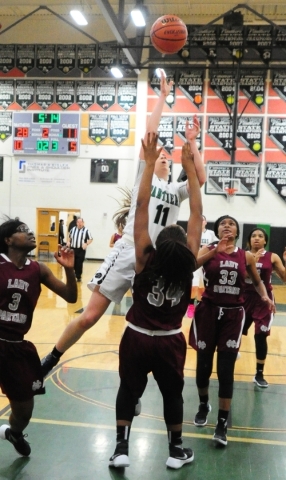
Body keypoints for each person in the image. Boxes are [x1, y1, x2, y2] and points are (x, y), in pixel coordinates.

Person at [41, 69, 206, 376]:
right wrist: (161, 97)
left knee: (149, 325)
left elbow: (201, 177)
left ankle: (135, 377)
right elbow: (150, 134)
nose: (165, 157)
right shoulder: (143, 177)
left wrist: (193, 143)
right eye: (160, 155)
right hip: (131, 249)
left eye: (169, 158)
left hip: (159, 261)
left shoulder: (176, 190)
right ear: (150, 159)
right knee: (91, 316)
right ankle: (51, 357)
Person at [109, 134, 202, 470]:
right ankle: (175, 450)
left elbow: (143, 207)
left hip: (135, 335)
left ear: (159, 240)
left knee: (127, 390)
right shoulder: (189, 263)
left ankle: (121, 448)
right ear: (185, 245)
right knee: (172, 395)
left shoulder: (144, 257)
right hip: (168, 341)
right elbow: (196, 212)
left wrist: (148, 164)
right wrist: (189, 166)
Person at [189, 215, 275, 447]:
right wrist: (213, 252)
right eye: (222, 224)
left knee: (226, 370)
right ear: (217, 230)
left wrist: (266, 297)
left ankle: (222, 422)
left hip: (233, 314)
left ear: (237, 231)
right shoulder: (207, 249)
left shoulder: (245, 255)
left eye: (231, 223)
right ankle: (203, 404)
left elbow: (256, 282)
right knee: (203, 366)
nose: (227, 226)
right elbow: (192, 266)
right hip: (208, 311)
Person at [0, 218, 77, 457]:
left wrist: (69, 269)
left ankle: (14, 432)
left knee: (24, 411)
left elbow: (71, 297)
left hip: (15, 347)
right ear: (8, 240)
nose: (31, 233)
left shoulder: (38, 270)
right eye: (23, 231)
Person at [243, 227, 286, 388]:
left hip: (264, 299)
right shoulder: (243, 255)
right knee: (235, 331)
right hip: (244, 298)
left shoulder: (272, 257)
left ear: (265, 240)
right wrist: (252, 259)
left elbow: (284, 278)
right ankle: (229, 362)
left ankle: (259, 373)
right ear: (249, 240)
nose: (257, 238)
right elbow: (243, 275)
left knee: (260, 335)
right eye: (253, 236)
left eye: (260, 236)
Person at [186, 215, 218, 318]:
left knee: (203, 284)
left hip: (206, 261)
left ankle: (201, 305)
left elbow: (217, 244)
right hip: (194, 260)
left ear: (206, 222)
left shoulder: (211, 234)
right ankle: (191, 305)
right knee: (193, 283)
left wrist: (208, 247)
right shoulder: (190, 233)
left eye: (202, 220)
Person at [68, 217, 93, 282]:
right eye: (78, 222)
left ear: (83, 223)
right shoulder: (73, 229)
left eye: (81, 222)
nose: (79, 224)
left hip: (81, 250)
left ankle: (78, 276)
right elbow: (69, 237)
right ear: (76, 223)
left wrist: (86, 244)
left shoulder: (86, 230)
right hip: (73, 249)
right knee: (72, 262)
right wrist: (68, 242)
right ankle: (73, 275)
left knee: (79, 263)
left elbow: (91, 239)